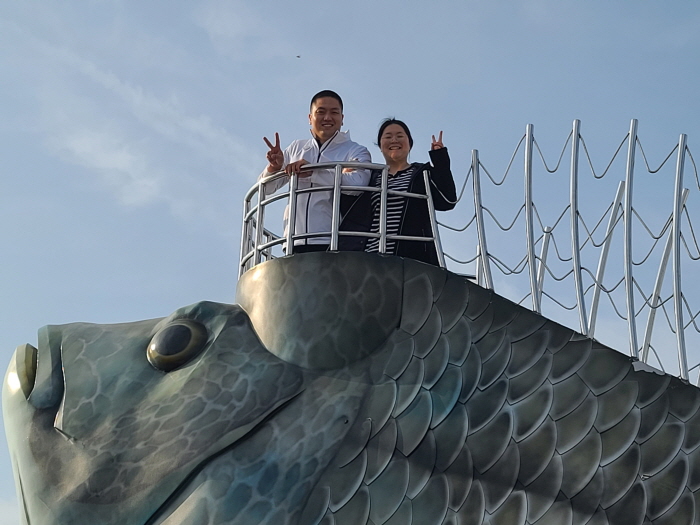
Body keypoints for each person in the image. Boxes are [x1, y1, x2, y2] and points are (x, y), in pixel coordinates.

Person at [260, 90, 371, 253]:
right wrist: (274, 168)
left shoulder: (355, 150)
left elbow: (358, 183)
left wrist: (314, 172)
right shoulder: (296, 147)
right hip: (292, 241)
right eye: (321, 112)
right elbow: (265, 189)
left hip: (332, 242)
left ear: (342, 119)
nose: (327, 117)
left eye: (334, 112)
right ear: (310, 118)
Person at [339, 118, 457, 265]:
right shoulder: (371, 176)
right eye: (388, 137)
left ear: (409, 144)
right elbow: (350, 212)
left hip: (411, 259)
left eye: (400, 136)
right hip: (370, 258)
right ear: (380, 145)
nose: (394, 140)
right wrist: (348, 177)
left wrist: (440, 160)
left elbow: (447, 201)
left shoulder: (422, 173)